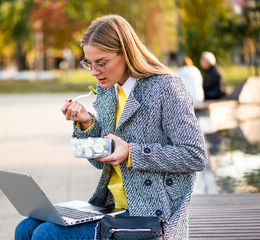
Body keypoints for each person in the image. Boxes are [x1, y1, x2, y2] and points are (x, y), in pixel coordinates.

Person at [15, 14, 207, 240]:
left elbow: (196, 156)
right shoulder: (108, 90)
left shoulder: (166, 87)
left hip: (150, 213)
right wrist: (87, 124)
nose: (94, 72)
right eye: (89, 63)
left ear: (126, 53)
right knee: (26, 228)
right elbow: (102, 163)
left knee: (47, 234)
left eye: (101, 63)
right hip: (111, 207)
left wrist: (132, 153)